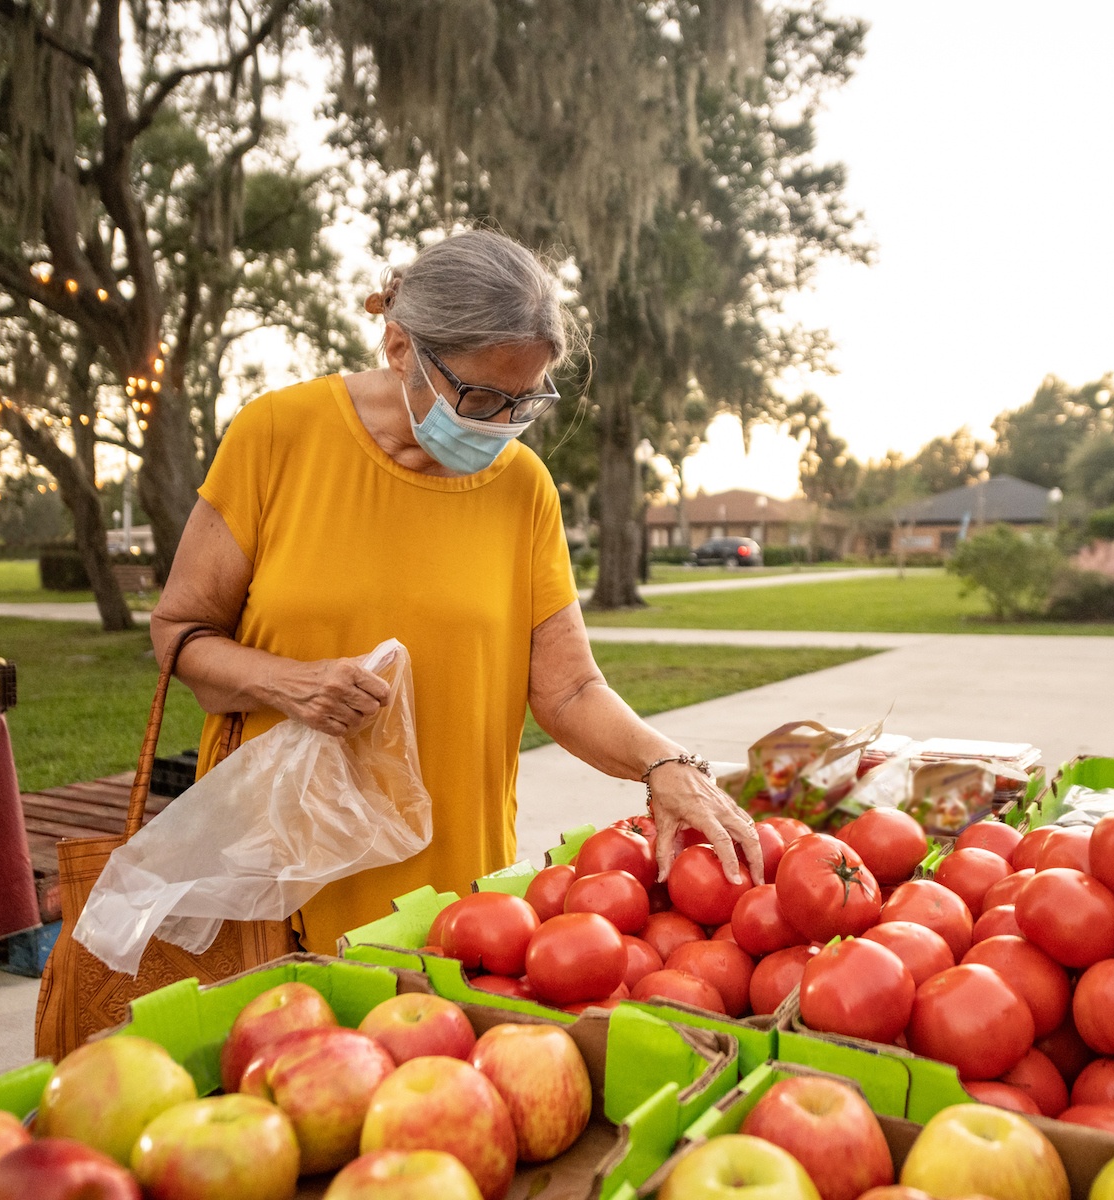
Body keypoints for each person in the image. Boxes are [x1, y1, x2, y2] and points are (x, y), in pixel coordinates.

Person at [151, 228, 762, 955]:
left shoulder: (523, 487)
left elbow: (568, 691)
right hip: (278, 884)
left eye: (524, 402)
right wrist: (288, 683)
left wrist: (665, 763)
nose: (499, 425)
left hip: (455, 900)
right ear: (401, 346)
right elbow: (180, 634)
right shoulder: (278, 434)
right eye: (479, 395)